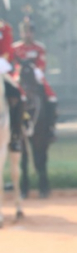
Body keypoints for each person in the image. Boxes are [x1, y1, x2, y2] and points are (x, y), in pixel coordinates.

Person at [13, 15, 57, 142]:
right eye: (25, 31)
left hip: (35, 75)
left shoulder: (39, 48)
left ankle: (50, 126)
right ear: (21, 33)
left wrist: (35, 70)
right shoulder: (15, 48)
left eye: (30, 31)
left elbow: (42, 64)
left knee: (51, 97)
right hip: (19, 76)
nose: (27, 34)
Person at [0, 18, 25, 152]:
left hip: (1, 66)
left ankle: (15, 133)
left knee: (16, 92)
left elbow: (6, 49)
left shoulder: (4, 27)